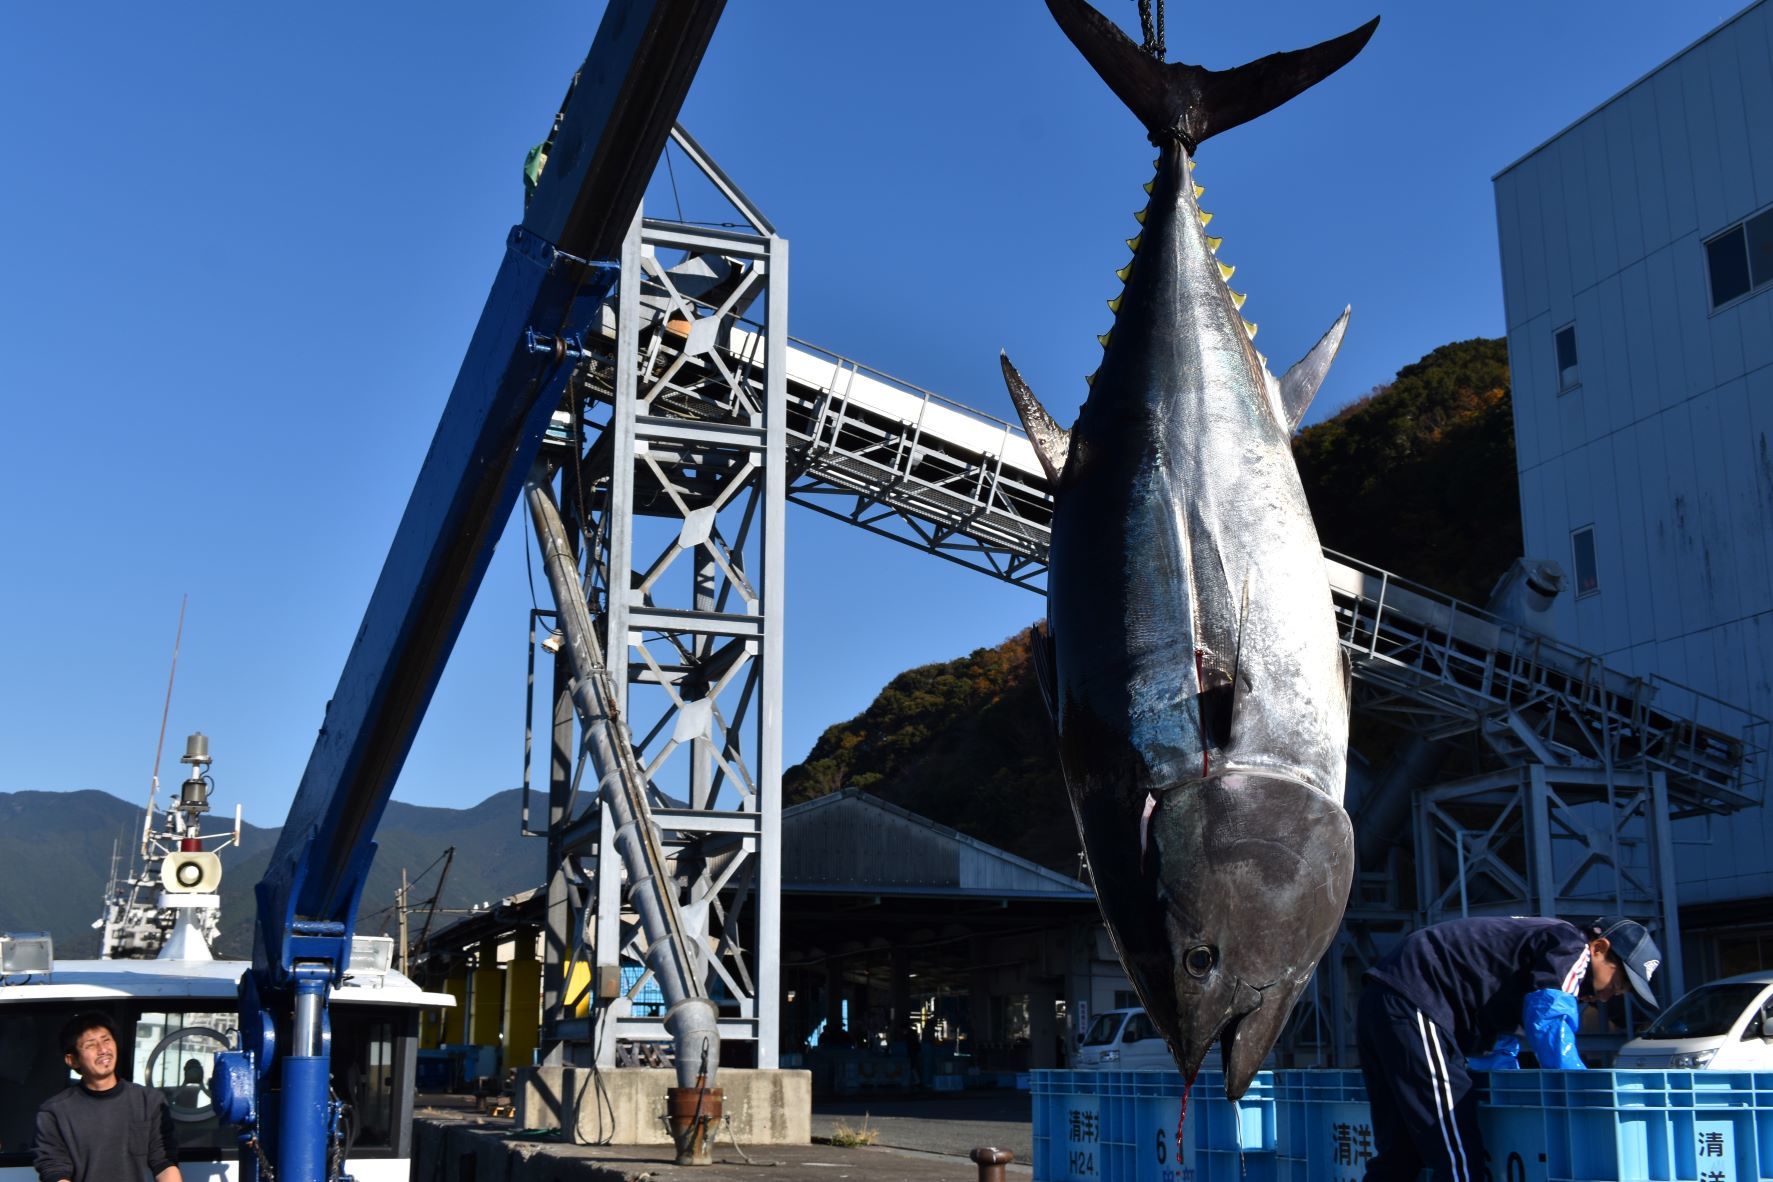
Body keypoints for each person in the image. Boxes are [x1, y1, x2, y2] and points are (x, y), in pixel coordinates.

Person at [1357, 915, 1662, 1182]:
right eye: (1618, 982)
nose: (1610, 996)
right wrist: (1579, 1089)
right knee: (1458, 1155)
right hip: (1417, 998)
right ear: (1599, 948)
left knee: (1401, 1151)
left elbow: (1496, 1043)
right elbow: (1550, 1018)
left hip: (1386, 997)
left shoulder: (1527, 952)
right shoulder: (1571, 946)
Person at [33, 1012, 181, 1182]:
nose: (103, 1050)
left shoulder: (149, 1101)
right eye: (91, 1045)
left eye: (106, 1040)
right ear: (72, 1060)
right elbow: (54, 1171)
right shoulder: (54, 1112)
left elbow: (164, 1163)